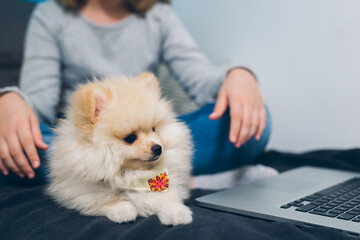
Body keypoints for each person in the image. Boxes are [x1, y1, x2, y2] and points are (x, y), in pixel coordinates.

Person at [0, 0, 271, 183]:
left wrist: (239, 76)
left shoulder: (158, 16)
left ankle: (118, 181)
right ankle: (162, 179)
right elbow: (39, 103)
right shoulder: (51, 16)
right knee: (13, 141)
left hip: (147, 146)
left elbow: (203, 82)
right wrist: (11, 100)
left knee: (253, 119)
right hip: (91, 147)